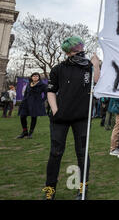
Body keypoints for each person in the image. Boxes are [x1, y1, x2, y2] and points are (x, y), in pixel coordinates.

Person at [41, 36, 100, 200]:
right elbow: (51, 91)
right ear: (68, 52)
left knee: (82, 153)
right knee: (55, 153)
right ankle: (50, 189)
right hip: (60, 118)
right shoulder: (58, 69)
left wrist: (96, 64)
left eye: (81, 46)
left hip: (82, 117)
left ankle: (82, 188)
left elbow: (97, 81)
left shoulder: (88, 66)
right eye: (76, 48)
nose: (80, 50)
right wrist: (55, 110)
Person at [16, 73, 47, 139]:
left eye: (37, 76)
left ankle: (30, 133)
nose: (35, 77)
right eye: (34, 76)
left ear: (39, 77)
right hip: (26, 102)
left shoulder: (42, 85)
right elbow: (25, 93)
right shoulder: (29, 84)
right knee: (22, 116)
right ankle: (25, 132)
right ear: (31, 77)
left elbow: (46, 94)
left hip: (35, 103)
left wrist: (41, 101)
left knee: (34, 117)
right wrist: (23, 100)